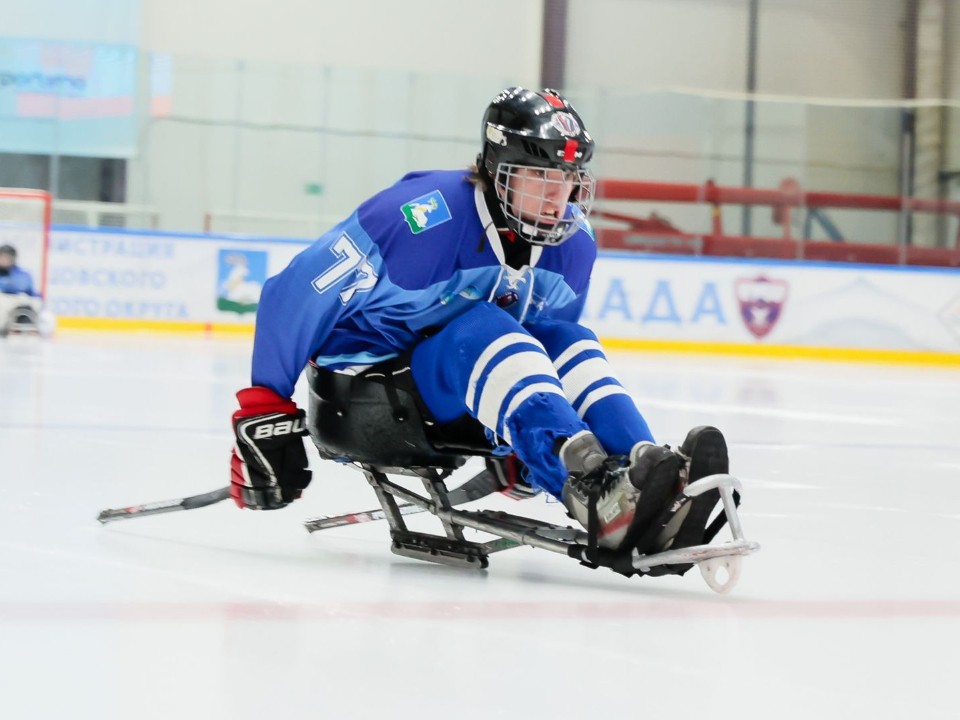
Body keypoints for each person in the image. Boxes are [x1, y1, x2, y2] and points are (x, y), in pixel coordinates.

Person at [229, 87, 729, 561]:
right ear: (496, 170)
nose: (558, 198)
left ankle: (645, 477)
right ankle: (590, 490)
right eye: (541, 178)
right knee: (486, 325)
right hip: (363, 396)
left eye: (568, 180)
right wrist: (265, 410)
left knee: (567, 339)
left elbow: (542, 356)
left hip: (456, 396)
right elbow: (293, 294)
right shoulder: (417, 218)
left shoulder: (574, 245)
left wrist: (528, 441)